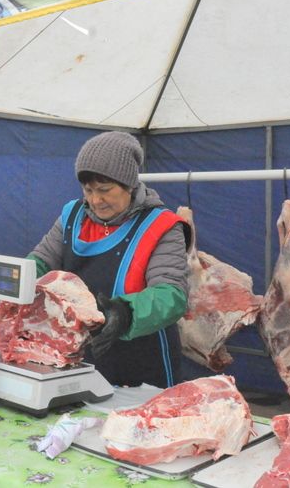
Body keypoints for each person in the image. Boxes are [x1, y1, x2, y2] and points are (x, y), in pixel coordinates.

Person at [29, 130, 191, 388]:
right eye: (88, 189)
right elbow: (41, 260)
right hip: (81, 356)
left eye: (105, 190)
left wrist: (124, 314)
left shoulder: (162, 225)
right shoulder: (72, 216)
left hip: (143, 365)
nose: (95, 200)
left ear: (129, 185)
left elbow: (171, 296)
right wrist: (18, 280)